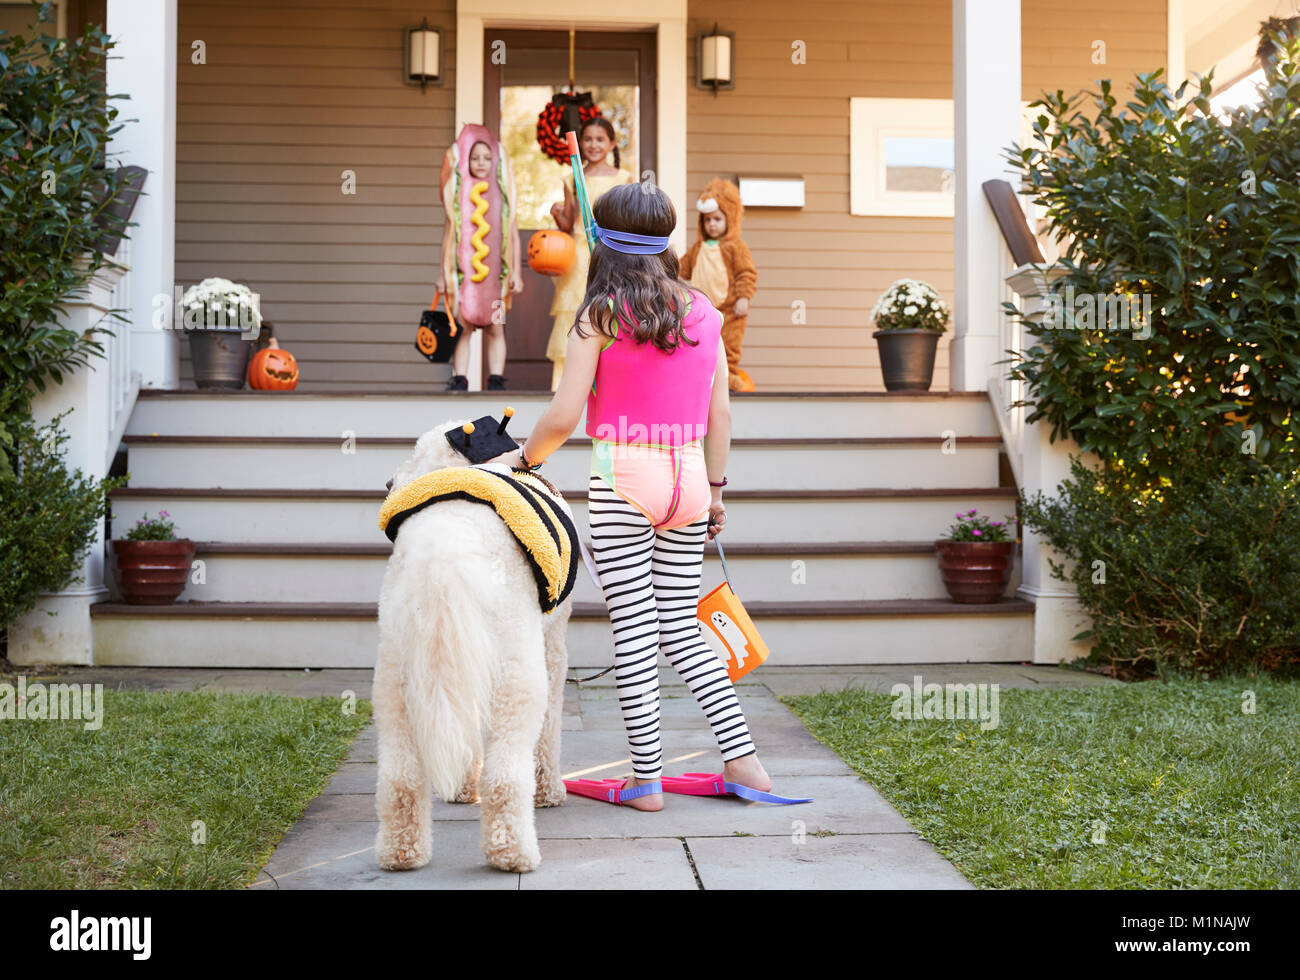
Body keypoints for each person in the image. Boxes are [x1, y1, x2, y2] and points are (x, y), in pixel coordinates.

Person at [489, 181, 772, 812]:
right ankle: (745, 763)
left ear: (603, 243)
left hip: (624, 478)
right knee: (683, 628)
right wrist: (717, 493)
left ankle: (646, 781)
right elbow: (720, 415)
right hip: (690, 480)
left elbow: (564, 415)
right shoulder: (704, 312)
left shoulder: (600, 315)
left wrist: (523, 460)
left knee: (635, 631)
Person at [545, 115, 635, 391]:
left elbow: (627, 219)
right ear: (580, 143)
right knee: (573, 310)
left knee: (609, 309)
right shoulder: (573, 176)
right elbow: (569, 223)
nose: (593, 145)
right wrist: (558, 216)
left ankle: (608, 382)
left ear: (611, 144)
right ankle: (564, 387)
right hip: (578, 255)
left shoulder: (624, 178)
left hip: (610, 252)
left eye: (600, 140)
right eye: (587, 140)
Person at [437, 124, 523, 391]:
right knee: (463, 328)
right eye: (475, 158)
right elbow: (448, 237)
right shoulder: (459, 198)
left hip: (495, 277)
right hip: (465, 277)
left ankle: (496, 378)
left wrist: (517, 273)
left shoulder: (503, 198)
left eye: (487, 158)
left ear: (495, 161)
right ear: (466, 161)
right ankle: (460, 378)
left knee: (496, 329)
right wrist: (442, 275)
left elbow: (514, 236)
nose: (481, 162)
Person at [679, 178, 757, 391]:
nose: (712, 224)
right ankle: (702, 376)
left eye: (717, 219)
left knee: (729, 345)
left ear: (729, 219)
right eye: (707, 220)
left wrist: (743, 298)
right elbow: (681, 268)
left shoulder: (736, 247)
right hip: (702, 309)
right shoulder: (698, 247)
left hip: (730, 309)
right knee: (700, 343)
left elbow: (746, 273)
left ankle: (729, 376)